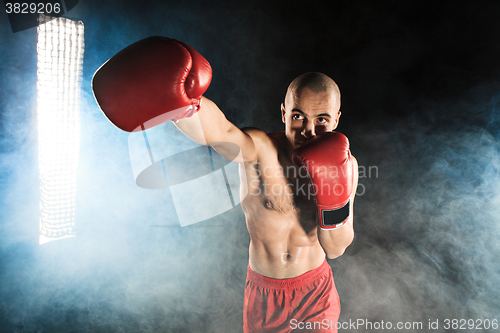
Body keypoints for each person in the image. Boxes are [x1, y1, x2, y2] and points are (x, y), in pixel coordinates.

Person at [92, 36, 358, 333]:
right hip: (264, 295)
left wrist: (333, 189)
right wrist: (184, 104)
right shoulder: (259, 149)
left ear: (336, 119)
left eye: (321, 120)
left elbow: (336, 248)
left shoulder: (346, 165)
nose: (309, 130)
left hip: (315, 294)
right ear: (284, 113)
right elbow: (219, 131)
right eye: (298, 116)